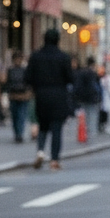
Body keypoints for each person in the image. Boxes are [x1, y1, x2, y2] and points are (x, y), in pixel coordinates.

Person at [25, 28, 73, 169]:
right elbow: (70, 78)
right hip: (59, 96)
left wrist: (36, 85)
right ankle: (54, 159)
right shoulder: (63, 57)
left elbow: (27, 77)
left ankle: (40, 151)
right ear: (58, 40)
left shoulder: (36, 56)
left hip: (41, 95)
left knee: (43, 126)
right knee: (57, 128)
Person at [73, 55, 102, 142]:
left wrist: (76, 95)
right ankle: (90, 133)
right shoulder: (92, 73)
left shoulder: (81, 72)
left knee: (83, 115)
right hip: (91, 97)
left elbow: (77, 86)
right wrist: (98, 96)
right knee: (92, 115)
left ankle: (83, 132)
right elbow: (95, 86)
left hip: (82, 97)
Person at [6, 51, 31, 143]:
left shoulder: (25, 70)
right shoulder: (10, 70)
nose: (18, 61)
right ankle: (16, 133)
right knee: (14, 116)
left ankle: (20, 134)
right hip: (13, 95)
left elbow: (28, 82)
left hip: (23, 96)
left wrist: (28, 91)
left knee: (21, 116)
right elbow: (8, 83)